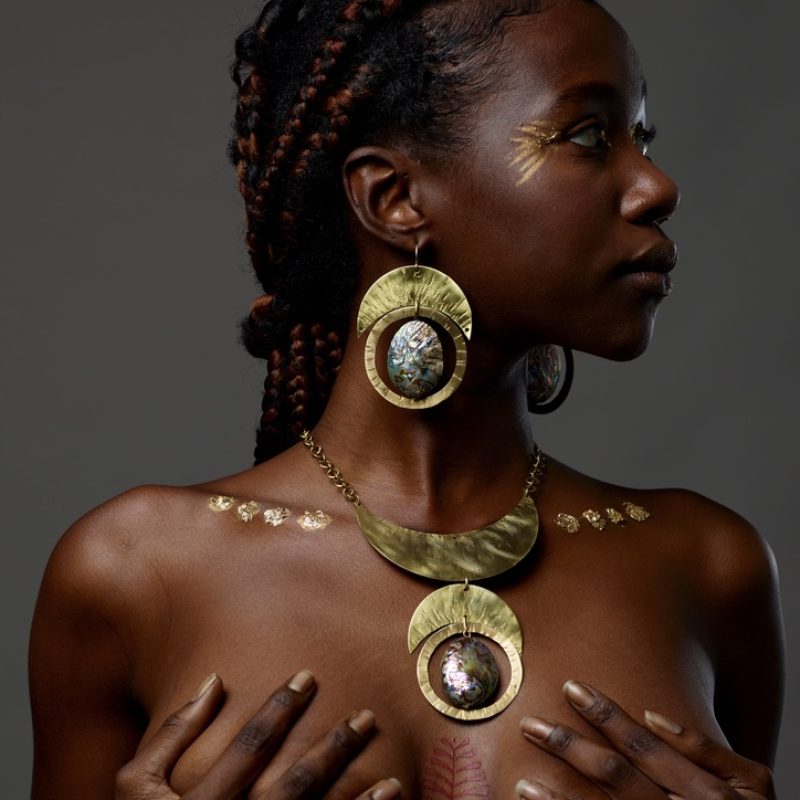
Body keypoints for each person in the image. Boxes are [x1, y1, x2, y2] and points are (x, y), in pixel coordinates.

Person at [29, 0, 784, 797]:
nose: (657, 186)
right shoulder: (131, 571)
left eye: (643, 139)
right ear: (394, 198)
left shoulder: (708, 567)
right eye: (589, 136)